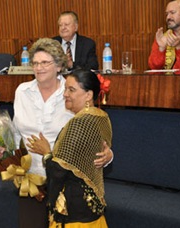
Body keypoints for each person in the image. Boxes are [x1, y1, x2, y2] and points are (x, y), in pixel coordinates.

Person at [12, 38, 112, 228]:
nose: (39, 68)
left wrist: (109, 155)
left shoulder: (73, 92)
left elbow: (95, 134)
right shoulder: (22, 91)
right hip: (30, 181)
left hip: (65, 186)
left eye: (45, 62)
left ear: (59, 66)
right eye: (35, 63)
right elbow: (16, 134)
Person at [29, 69, 112, 227]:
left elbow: (58, 171)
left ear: (88, 95)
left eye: (71, 90)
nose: (65, 94)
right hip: (90, 207)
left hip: (74, 213)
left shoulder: (79, 123)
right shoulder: (100, 117)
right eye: (65, 89)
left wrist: (46, 152)